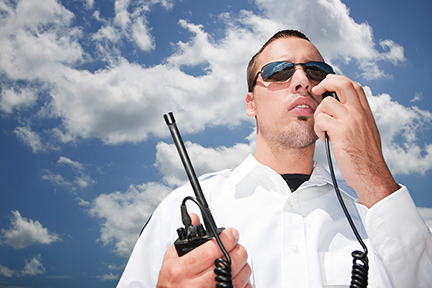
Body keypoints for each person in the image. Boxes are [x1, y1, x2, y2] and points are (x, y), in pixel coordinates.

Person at [117, 30, 432, 287]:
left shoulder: (375, 211)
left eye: (315, 71)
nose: (302, 81)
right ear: (251, 103)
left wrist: (373, 175)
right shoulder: (184, 206)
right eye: (279, 71)